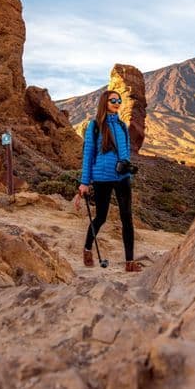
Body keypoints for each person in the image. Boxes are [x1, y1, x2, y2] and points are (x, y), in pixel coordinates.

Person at [79, 90, 141, 272]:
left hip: (122, 177)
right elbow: (88, 155)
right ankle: (87, 249)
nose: (117, 102)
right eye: (113, 100)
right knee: (101, 217)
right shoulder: (95, 126)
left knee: (127, 218)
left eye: (119, 100)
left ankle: (130, 262)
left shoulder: (122, 126)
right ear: (104, 102)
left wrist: (127, 167)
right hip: (101, 178)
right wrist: (84, 182)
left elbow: (126, 153)